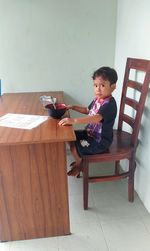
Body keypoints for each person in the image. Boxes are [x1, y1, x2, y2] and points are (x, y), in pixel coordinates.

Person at [59, 66, 118, 177]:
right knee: (69, 136)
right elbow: (87, 110)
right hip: (90, 133)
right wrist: (72, 107)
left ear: (113, 87)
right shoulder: (97, 99)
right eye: (95, 85)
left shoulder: (109, 104)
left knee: (75, 146)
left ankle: (79, 164)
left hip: (100, 140)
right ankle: (79, 161)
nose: (98, 89)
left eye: (102, 85)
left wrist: (74, 120)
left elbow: (96, 117)